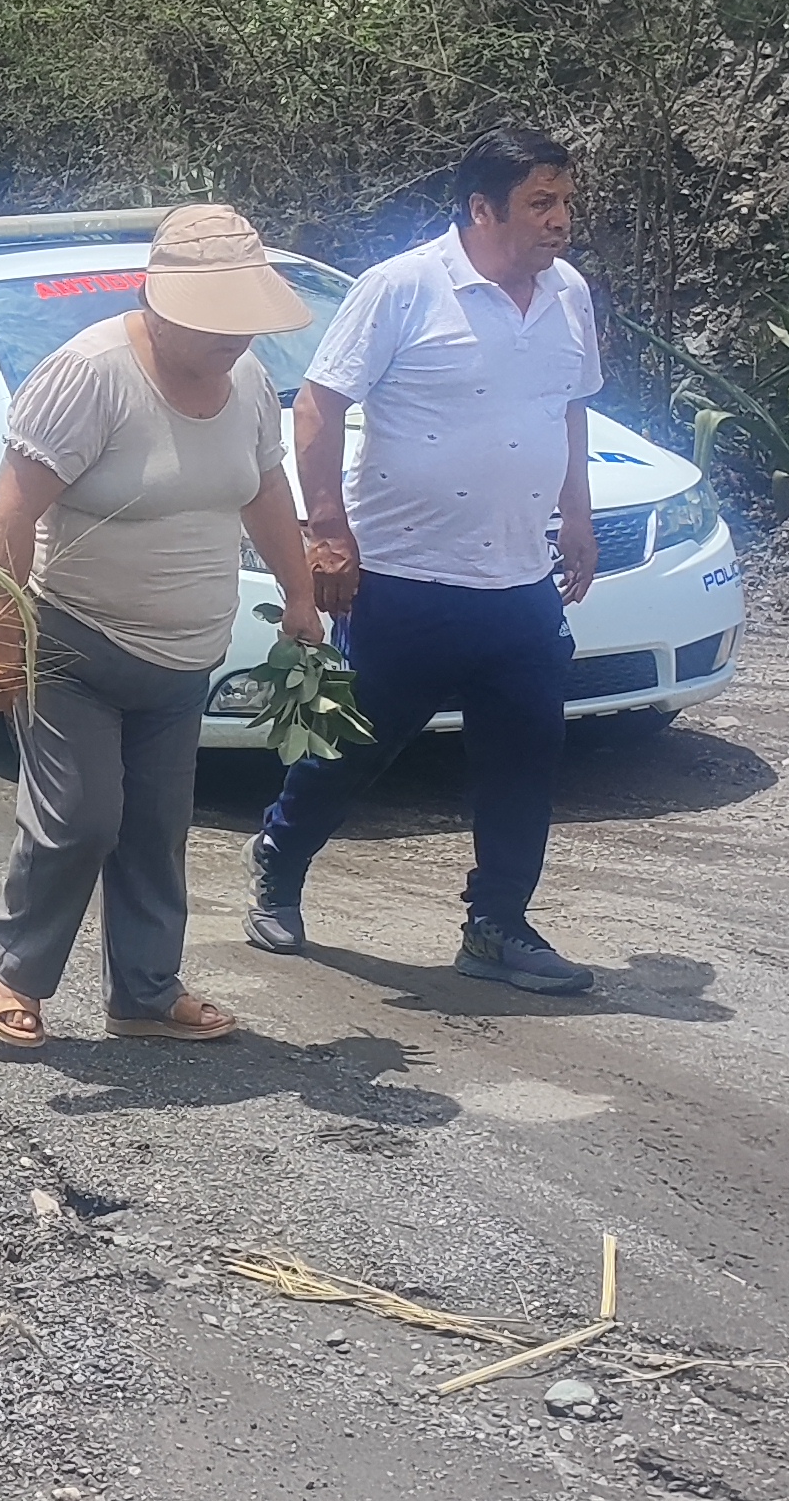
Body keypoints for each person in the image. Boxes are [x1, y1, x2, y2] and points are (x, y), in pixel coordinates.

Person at [243, 127, 605, 995]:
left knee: (524, 762)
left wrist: (578, 516)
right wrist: (328, 531)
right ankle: (279, 860)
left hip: (519, 583)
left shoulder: (569, 294)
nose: (560, 220)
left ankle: (498, 925)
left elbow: (571, 409)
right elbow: (319, 407)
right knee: (351, 750)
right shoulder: (401, 287)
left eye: (565, 201)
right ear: (482, 208)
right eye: (540, 203)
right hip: (404, 581)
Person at [0, 204, 328, 1051]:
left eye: (245, 317)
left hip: (184, 656)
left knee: (158, 830)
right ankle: (11, 965)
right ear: (159, 301)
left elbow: (265, 488)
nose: (235, 336)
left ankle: (145, 994)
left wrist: (300, 594)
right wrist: (0, 635)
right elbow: (11, 509)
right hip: (73, 641)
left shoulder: (247, 382)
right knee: (82, 818)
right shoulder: (91, 375)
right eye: (216, 317)